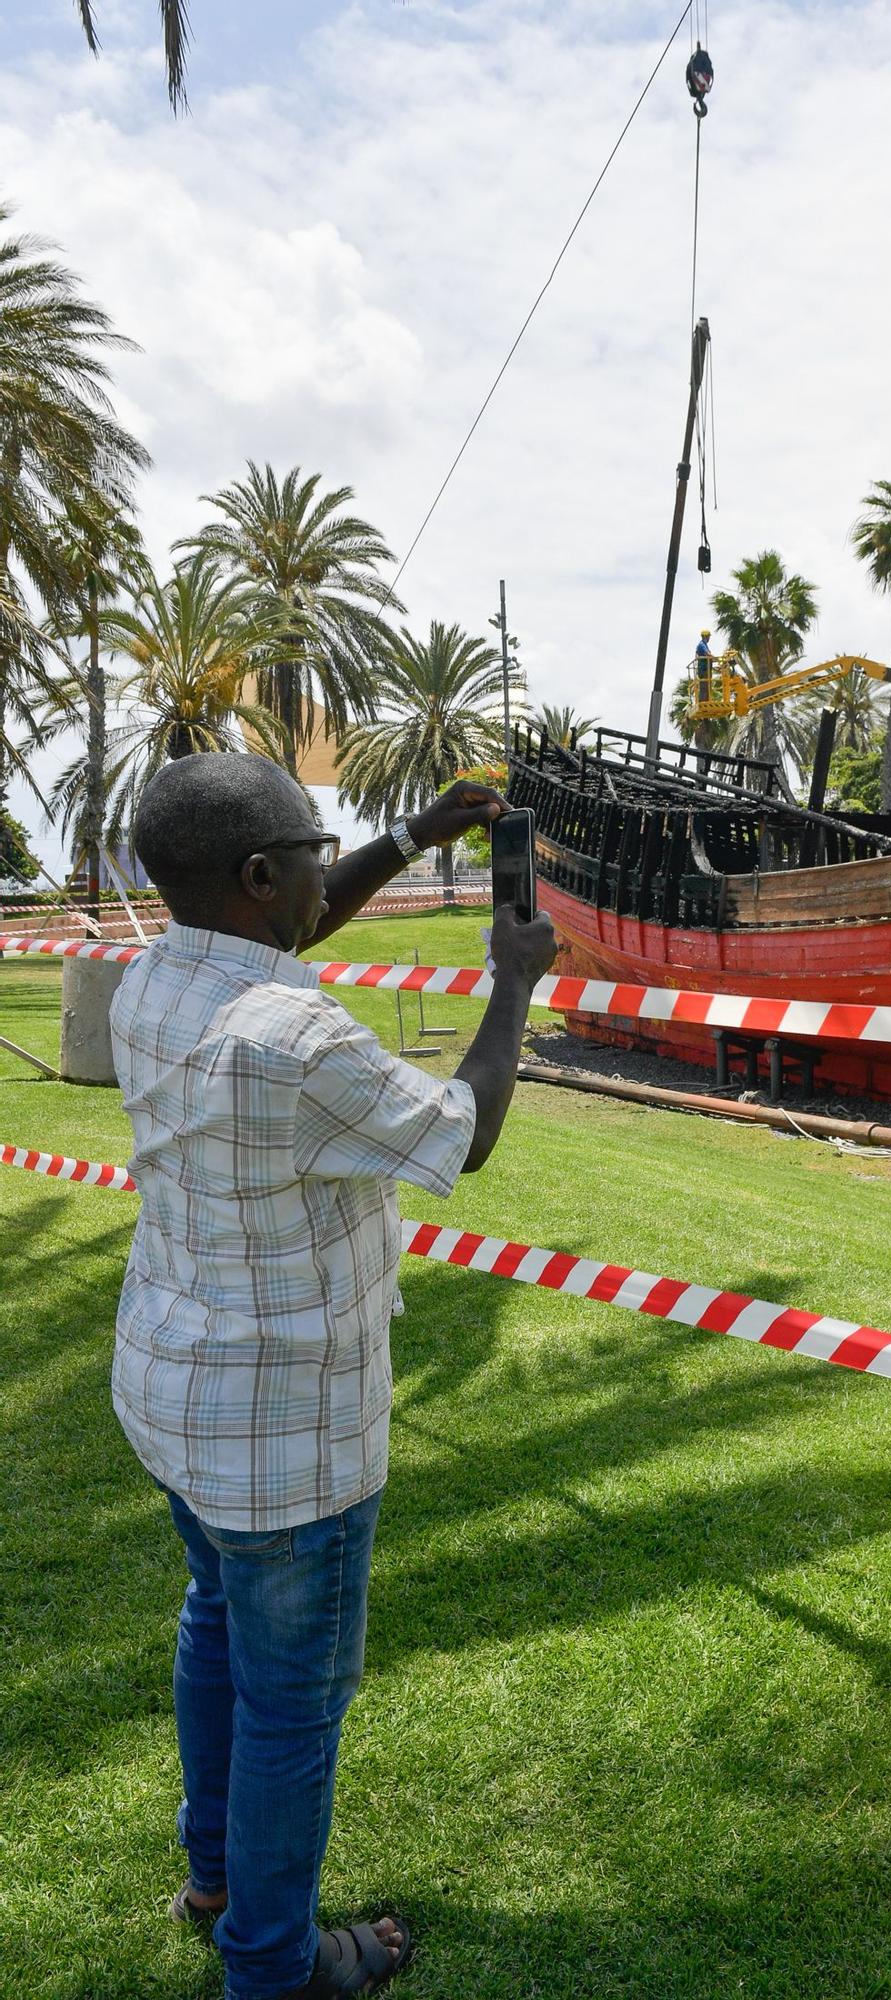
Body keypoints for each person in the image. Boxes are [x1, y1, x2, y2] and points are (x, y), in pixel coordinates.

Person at [108, 754, 557, 1999]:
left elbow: (285, 926)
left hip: (174, 1391)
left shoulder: (158, 972)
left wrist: (413, 833)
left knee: (215, 1627)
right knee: (293, 1709)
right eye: (313, 847)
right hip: (285, 1431)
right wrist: (510, 985)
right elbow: (461, 1127)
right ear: (261, 873)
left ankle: (216, 1877)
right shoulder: (298, 1036)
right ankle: (271, 1964)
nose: (323, 866)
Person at [695, 628, 714, 702]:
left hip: (705, 668)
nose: (709, 638)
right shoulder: (702, 644)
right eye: (709, 636)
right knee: (704, 686)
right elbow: (707, 654)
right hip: (704, 669)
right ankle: (703, 701)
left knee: (707, 686)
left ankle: (707, 700)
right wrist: (716, 658)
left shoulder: (704, 644)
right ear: (706, 636)